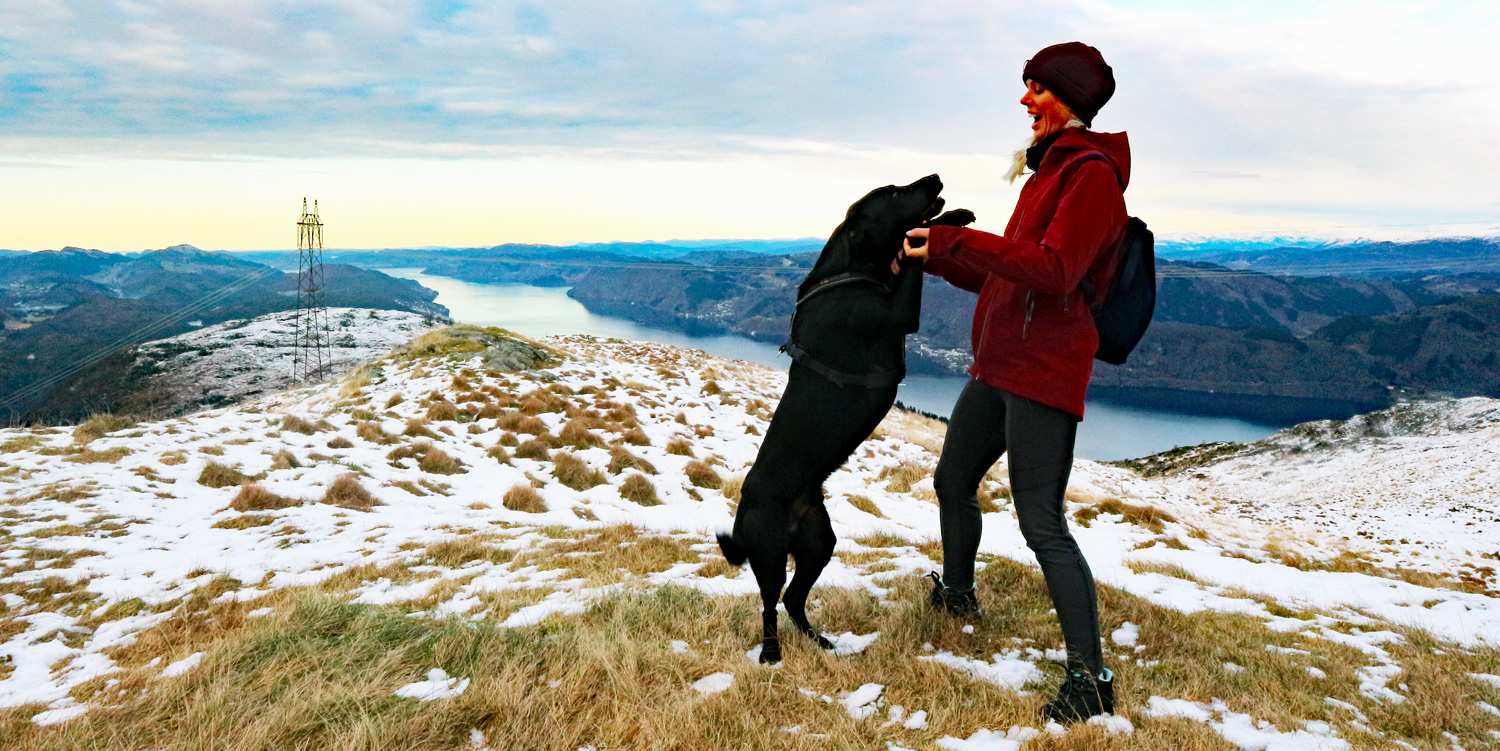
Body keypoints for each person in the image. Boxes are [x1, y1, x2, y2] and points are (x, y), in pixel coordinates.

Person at [899, 42, 1129, 723]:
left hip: (1042, 375)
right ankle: (959, 592)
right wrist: (936, 254)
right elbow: (1013, 270)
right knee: (951, 479)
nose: (1025, 101)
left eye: (1036, 89)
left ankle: (1091, 679)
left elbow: (1055, 270)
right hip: (998, 367)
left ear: (1070, 100)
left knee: (1041, 521)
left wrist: (958, 245)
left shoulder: (1089, 177)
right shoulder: (1044, 175)